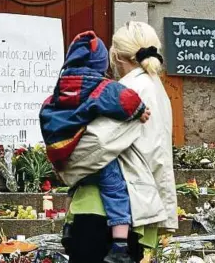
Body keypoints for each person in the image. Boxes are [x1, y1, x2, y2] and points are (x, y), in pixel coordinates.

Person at [58, 21, 178, 263]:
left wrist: (63, 160)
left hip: (99, 208)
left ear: (116, 55)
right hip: (133, 210)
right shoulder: (158, 88)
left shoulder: (126, 89)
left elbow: (97, 144)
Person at [39, 30, 151, 263]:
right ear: (102, 63)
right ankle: (119, 244)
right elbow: (123, 100)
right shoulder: (99, 86)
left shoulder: (62, 87)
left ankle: (68, 226)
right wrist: (140, 111)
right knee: (115, 187)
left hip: (68, 150)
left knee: (77, 182)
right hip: (96, 159)